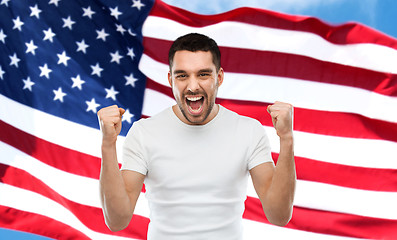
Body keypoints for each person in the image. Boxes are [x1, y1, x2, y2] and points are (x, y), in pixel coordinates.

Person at [97, 33, 296, 239]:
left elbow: (279, 215)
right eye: (182, 75)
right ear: (170, 79)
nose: (193, 86)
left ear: (219, 78)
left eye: (203, 74)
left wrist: (286, 139)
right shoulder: (144, 133)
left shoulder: (248, 130)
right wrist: (108, 145)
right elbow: (117, 221)